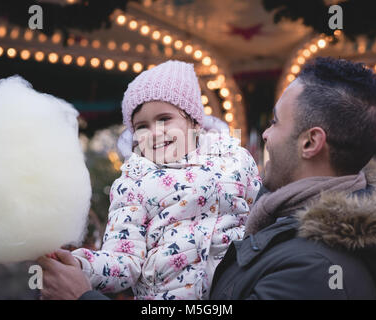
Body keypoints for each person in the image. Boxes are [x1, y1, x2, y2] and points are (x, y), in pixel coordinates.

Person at [38, 60, 261, 300]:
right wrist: (82, 265)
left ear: (194, 121)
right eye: (141, 126)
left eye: (164, 119)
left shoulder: (234, 159)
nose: (154, 132)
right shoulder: (133, 184)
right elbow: (124, 260)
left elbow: (261, 217)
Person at [209, 57, 376, 299]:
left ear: (310, 142)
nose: (265, 134)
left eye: (275, 122)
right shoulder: (299, 235)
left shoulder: (311, 271)